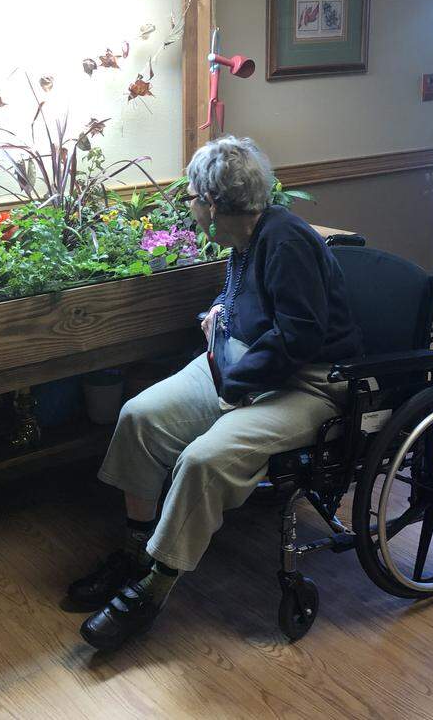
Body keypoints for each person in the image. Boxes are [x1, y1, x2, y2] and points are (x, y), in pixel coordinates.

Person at [71, 135, 363, 651]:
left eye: (191, 197)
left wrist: (235, 386)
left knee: (204, 459)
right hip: (242, 364)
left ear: (212, 202)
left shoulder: (286, 243)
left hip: (308, 383)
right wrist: (219, 313)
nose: (188, 206)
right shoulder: (244, 237)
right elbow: (253, 300)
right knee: (140, 416)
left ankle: (153, 587)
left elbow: (299, 337)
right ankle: (135, 551)